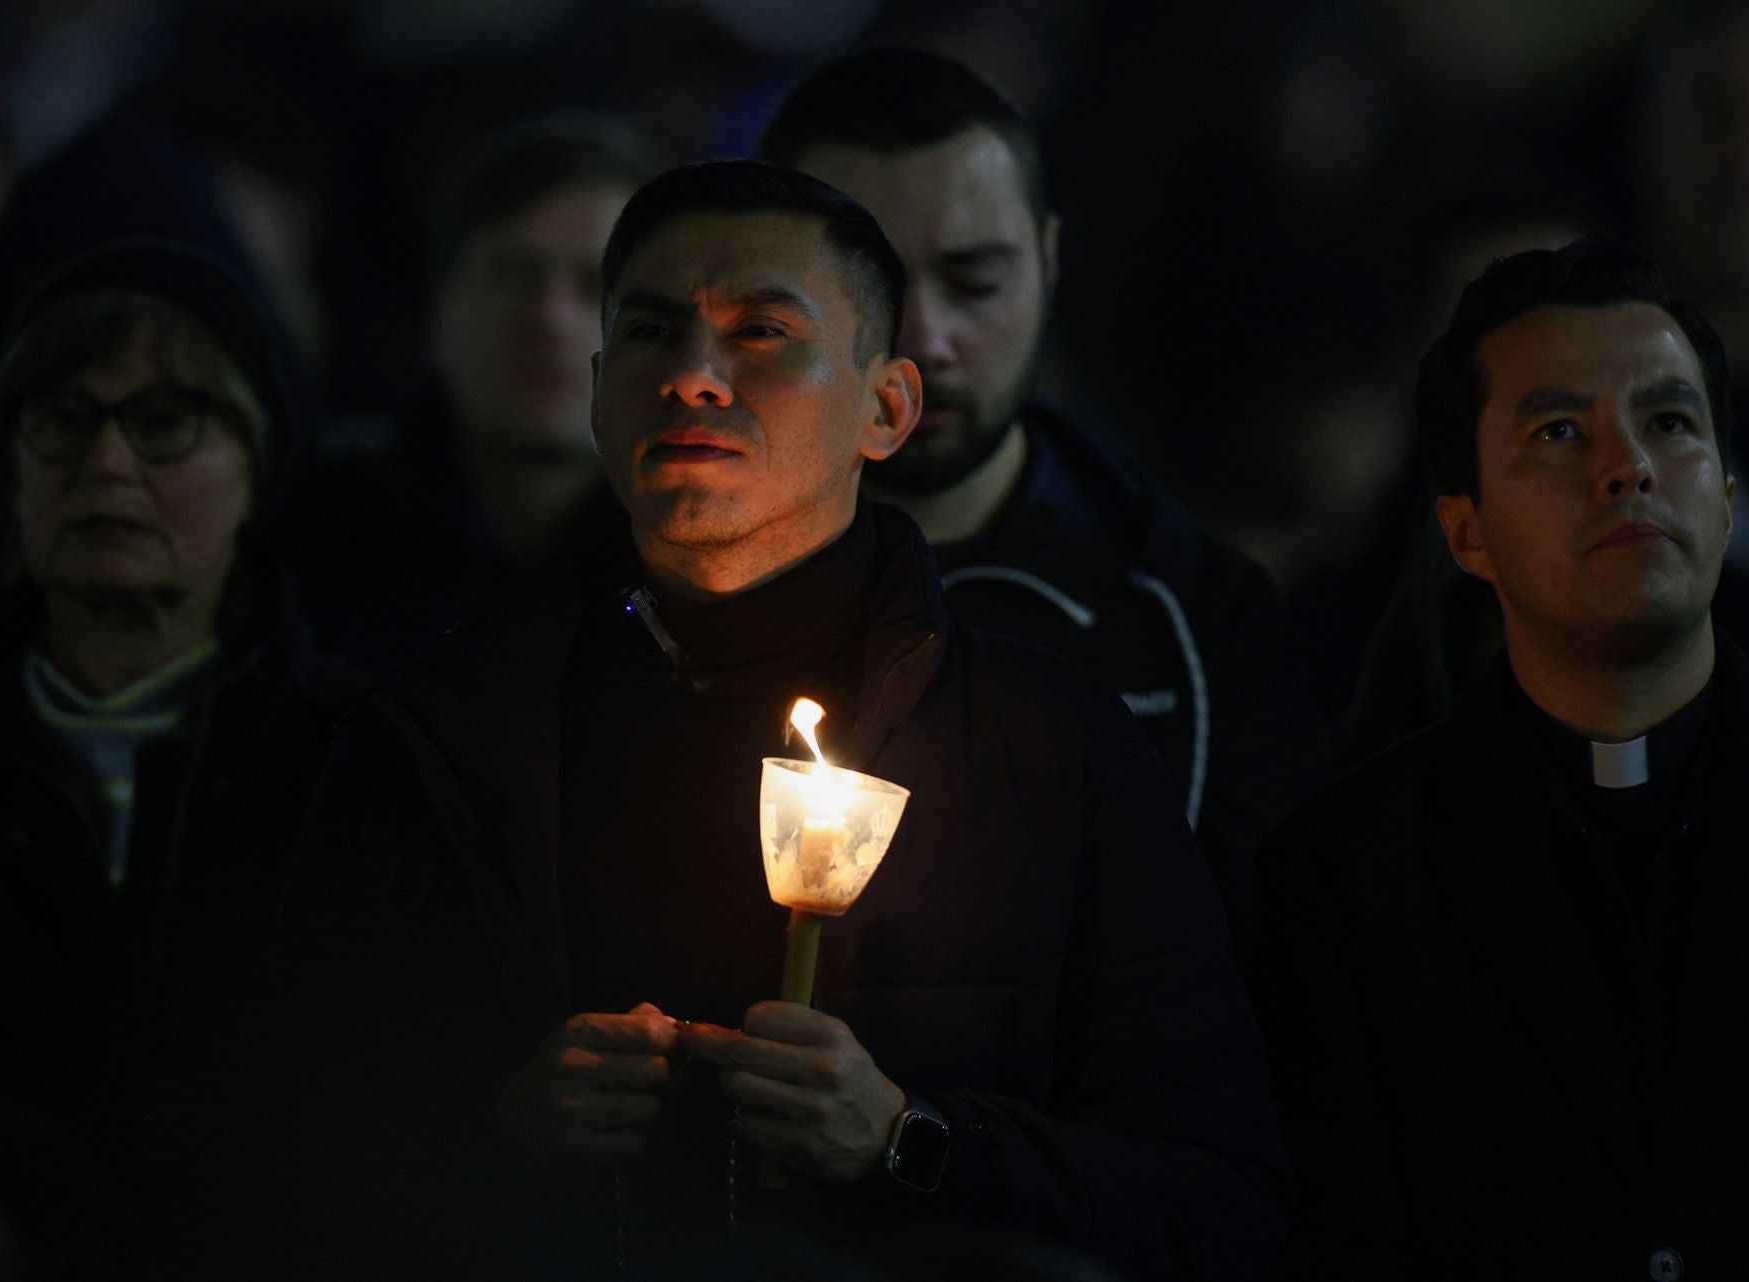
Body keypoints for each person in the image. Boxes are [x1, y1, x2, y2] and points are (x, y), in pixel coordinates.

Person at [221, 160, 1287, 1281]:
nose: (690, 377)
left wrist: (911, 1139)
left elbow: (1222, 1203)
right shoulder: (448, 735)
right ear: (595, 395)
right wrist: (502, 1129)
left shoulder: (1050, 751)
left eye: (763, 331)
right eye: (648, 333)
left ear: (888, 407)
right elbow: (282, 1162)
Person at [1251, 240, 1749, 1278]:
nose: (1625, 467)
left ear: (1722, 492)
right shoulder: (1349, 874)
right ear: (1466, 531)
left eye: (1669, 422)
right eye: (1560, 430)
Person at [756, 48, 1317, 931]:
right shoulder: (652, 588)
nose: (928, 340)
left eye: (975, 281)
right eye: (871, 287)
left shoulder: (1192, 620)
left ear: (1049, 261)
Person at [0, 232, 354, 1275]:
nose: (106, 463)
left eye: (165, 421)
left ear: (257, 462)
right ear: (7, 468)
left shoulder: (351, 760)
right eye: (61, 420)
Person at [287, 117, 648, 668]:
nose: (548, 318)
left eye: (595, 287)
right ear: (438, 311)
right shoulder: (305, 531)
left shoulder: (709, 561)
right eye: (513, 276)